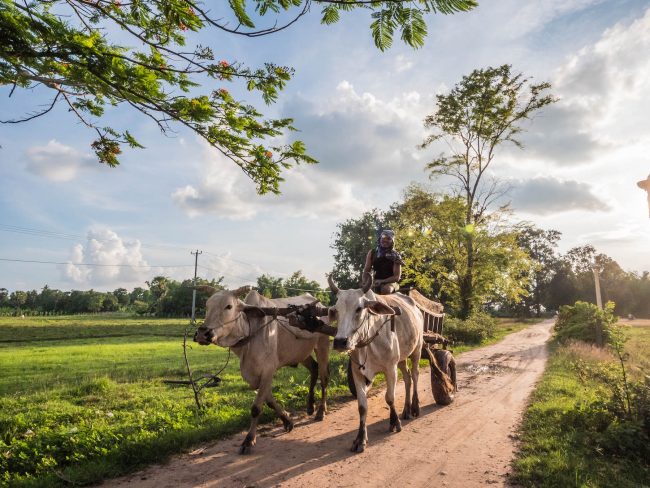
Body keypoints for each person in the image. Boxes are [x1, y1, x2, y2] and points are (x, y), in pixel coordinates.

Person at [362, 229, 404, 294]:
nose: (385, 240)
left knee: (386, 290)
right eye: (383, 238)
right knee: (363, 292)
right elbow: (366, 270)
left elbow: (396, 277)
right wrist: (365, 282)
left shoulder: (396, 256)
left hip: (391, 283)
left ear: (392, 242)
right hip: (375, 282)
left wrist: (382, 281)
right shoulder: (372, 253)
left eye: (388, 239)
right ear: (380, 239)